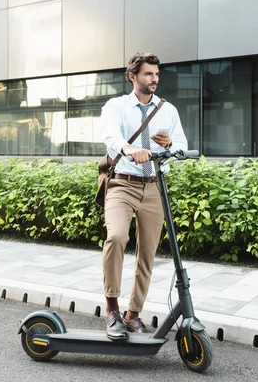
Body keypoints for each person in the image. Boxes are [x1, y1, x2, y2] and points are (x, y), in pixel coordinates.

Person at [99, 53, 188, 340]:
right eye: (148, 74)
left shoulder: (167, 110)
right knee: (116, 237)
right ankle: (112, 309)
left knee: (147, 252)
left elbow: (183, 145)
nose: (154, 80)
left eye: (156, 75)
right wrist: (128, 149)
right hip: (122, 184)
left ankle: (133, 314)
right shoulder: (116, 106)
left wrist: (172, 144)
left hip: (153, 186)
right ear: (132, 77)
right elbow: (111, 136)